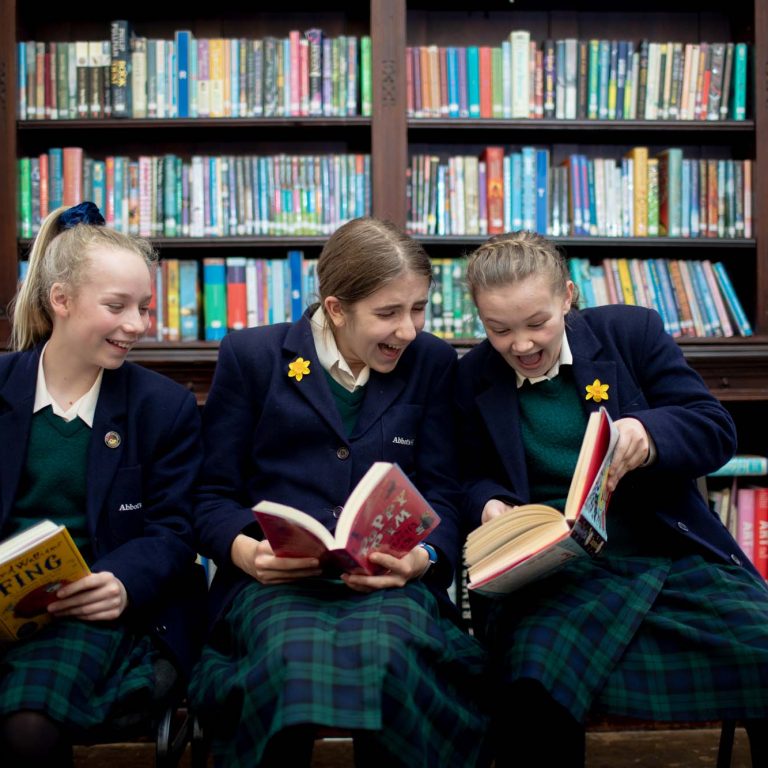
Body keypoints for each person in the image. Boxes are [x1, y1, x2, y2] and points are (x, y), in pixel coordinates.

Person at [454, 230, 768, 767]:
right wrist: (490, 505)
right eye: (498, 329)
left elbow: (715, 430)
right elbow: (467, 473)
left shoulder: (630, 333)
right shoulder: (470, 376)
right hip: (550, 581)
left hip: (666, 559)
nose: (522, 346)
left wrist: (648, 436)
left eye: (538, 323)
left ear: (568, 297)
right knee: (534, 684)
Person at [189, 217, 488, 767]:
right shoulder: (253, 358)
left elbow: (445, 494)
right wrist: (245, 554)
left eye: (418, 308)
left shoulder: (434, 363)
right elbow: (210, 495)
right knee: (286, 661)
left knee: (392, 657)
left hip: (389, 587)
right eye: (388, 313)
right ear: (335, 308)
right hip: (271, 586)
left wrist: (422, 561)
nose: (409, 330)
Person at [0, 202, 205, 767]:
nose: (136, 325)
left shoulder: (161, 407)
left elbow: (175, 530)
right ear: (60, 300)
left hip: (93, 618)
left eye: (143, 307)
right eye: (116, 306)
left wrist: (121, 583)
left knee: (27, 729)